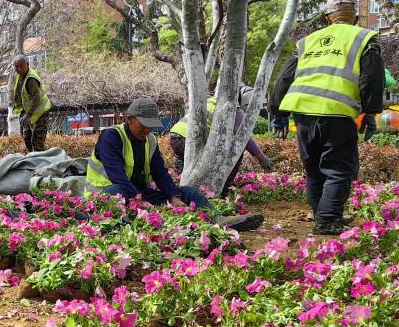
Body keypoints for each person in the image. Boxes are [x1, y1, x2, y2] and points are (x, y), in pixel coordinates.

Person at [270, 0, 384, 235]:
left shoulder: (308, 41)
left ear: (327, 18)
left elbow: (284, 77)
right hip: (337, 112)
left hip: (302, 111)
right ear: (355, 18)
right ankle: (327, 219)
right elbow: (372, 79)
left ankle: (321, 213)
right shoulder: (364, 37)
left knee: (314, 169)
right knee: (339, 169)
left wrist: (276, 111)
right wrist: (370, 112)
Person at [85, 96, 264, 230]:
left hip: (137, 193)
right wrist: (145, 204)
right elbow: (118, 177)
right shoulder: (112, 136)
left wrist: (174, 198)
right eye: (143, 125)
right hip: (107, 193)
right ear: (130, 119)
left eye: (150, 125)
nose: (147, 129)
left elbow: (160, 173)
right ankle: (132, 223)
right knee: (118, 191)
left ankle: (218, 219)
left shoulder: (151, 140)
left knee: (188, 192)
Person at [168, 85, 274, 195]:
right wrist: (261, 157)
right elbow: (243, 136)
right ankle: (224, 187)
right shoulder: (233, 107)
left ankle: (181, 188)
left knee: (183, 163)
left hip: (175, 136)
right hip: (190, 139)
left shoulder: (213, 101)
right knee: (237, 148)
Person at [12, 55, 52, 152]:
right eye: (17, 66)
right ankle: (33, 160)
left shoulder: (31, 79)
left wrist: (28, 115)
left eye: (22, 66)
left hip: (40, 112)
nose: (19, 69)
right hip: (29, 112)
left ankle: (41, 164)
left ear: (27, 65)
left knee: (37, 143)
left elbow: (36, 99)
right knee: (27, 138)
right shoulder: (19, 76)